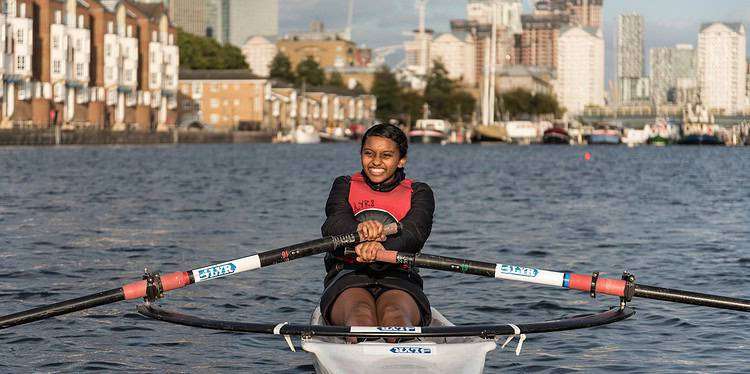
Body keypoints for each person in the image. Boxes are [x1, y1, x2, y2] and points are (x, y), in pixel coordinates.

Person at [320, 123, 435, 339]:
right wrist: (359, 234)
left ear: (401, 160)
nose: (376, 162)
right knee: (360, 317)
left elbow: (414, 235)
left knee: (395, 316)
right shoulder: (344, 184)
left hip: (400, 276)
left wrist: (378, 248)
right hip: (349, 275)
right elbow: (333, 225)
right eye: (369, 153)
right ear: (361, 154)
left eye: (387, 155)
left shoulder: (419, 192)